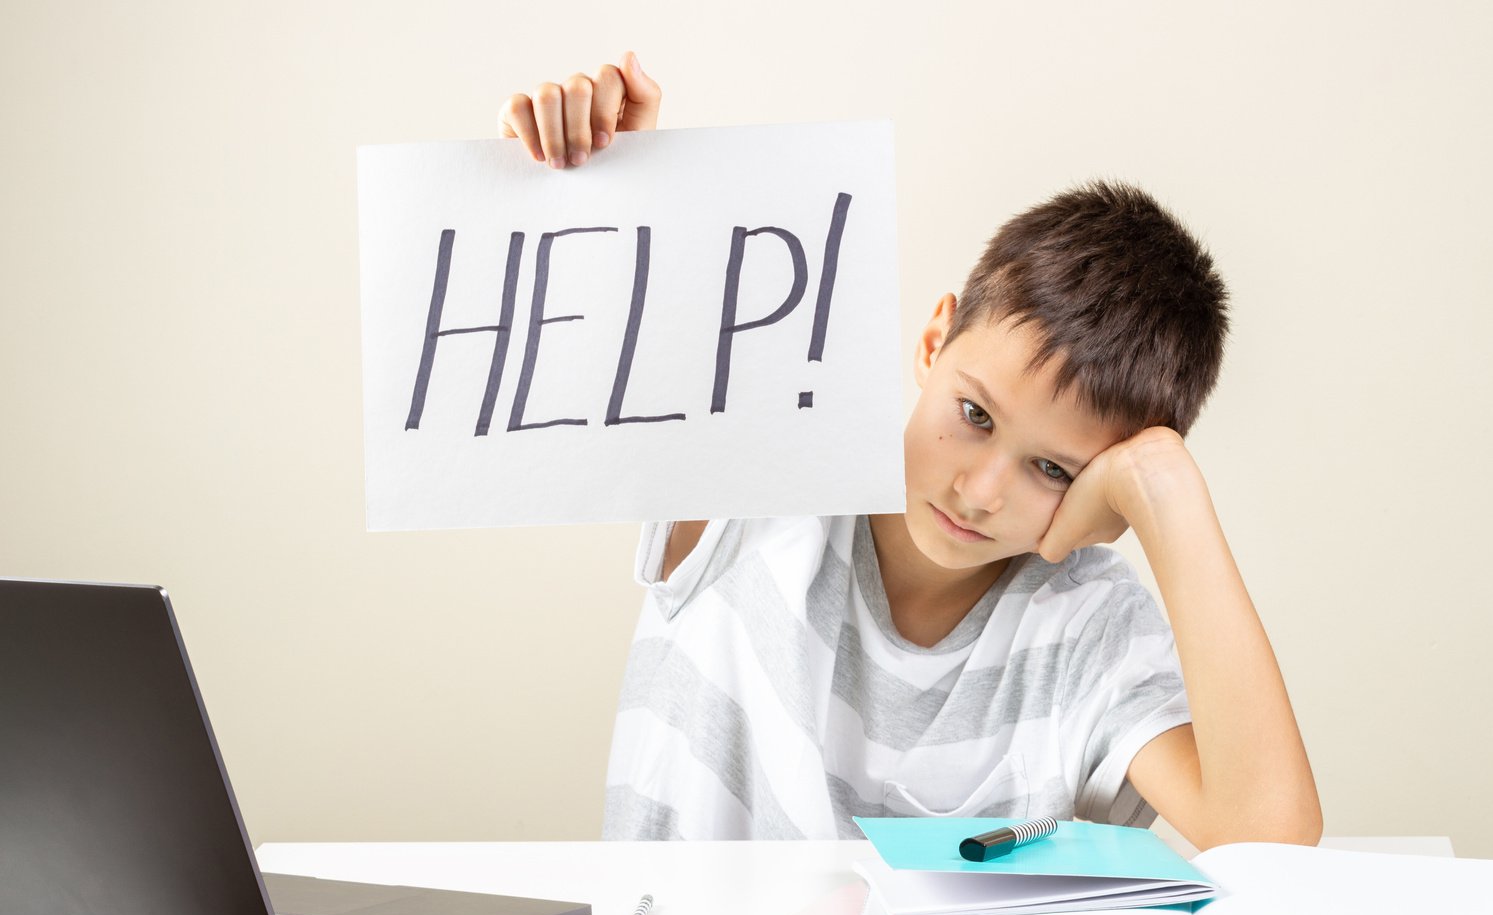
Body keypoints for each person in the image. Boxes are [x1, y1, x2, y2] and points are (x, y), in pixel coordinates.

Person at [499, 53, 1323, 849]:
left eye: (1052, 470)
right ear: (934, 339)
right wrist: (612, 169)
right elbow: (646, 319)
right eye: (973, 413)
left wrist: (1166, 490)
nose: (980, 489)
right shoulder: (764, 474)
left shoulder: (1087, 628)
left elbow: (1268, 837)